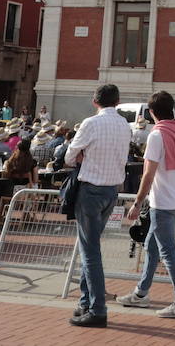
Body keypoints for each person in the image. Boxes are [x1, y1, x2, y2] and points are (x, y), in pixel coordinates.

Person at [119, 91, 175, 320]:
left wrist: (136, 203)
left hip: (161, 202)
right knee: (152, 247)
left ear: (151, 113)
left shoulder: (157, 135)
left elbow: (148, 174)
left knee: (167, 252)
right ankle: (141, 293)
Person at [63, 84, 132, 327]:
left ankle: (98, 309)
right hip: (112, 190)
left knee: (90, 251)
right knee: (90, 247)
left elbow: (69, 156)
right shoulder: (124, 125)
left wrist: (81, 156)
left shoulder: (91, 123)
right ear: (118, 101)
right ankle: (86, 302)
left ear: (95, 102)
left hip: (91, 189)